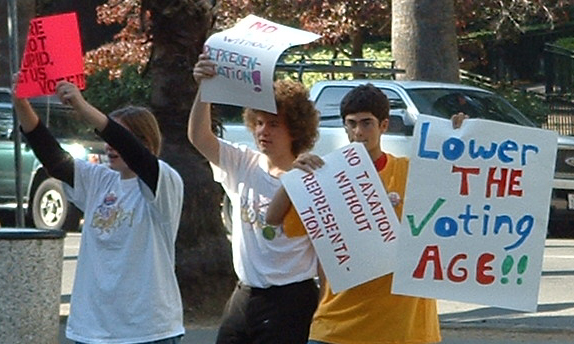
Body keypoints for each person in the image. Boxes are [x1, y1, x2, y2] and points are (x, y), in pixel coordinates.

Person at [266, 83, 468, 344]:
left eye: (367, 123)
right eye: (351, 124)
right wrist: (292, 177)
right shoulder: (326, 176)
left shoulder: (411, 172)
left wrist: (464, 137)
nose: (358, 132)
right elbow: (272, 222)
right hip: (338, 327)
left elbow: (466, 193)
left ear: (384, 125)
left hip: (405, 330)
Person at [13, 79, 185, 344]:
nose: (107, 145)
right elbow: (52, 158)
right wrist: (21, 103)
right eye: (105, 140)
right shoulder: (99, 180)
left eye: (114, 138)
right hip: (92, 330)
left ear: (144, 141)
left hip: (147, 331)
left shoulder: (163, 181)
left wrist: (82, 106)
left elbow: (132, 151)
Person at [188, 53, 320, 344]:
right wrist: (204, 89)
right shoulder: (242, 162)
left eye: (273, 124)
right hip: (244, 293)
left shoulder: (310, 176)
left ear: (295, 129)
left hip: (290, 297)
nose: (263, 131)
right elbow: (199, 136)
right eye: (258, 122)